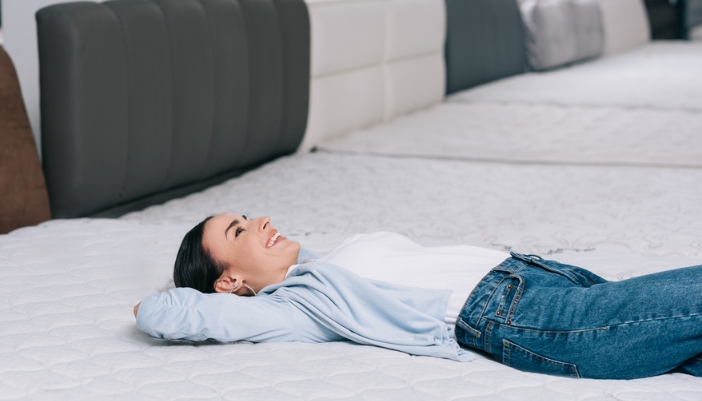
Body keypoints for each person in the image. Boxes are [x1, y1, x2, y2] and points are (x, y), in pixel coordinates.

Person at [134, 213, 702, 380]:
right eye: (238, 233)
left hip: (538, 276)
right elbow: (171, 315)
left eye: (246, 215)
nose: (259, 221)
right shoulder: (297, 304)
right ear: (230, 282)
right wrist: (150, 303)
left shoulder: (330, 260)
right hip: (520, 316)